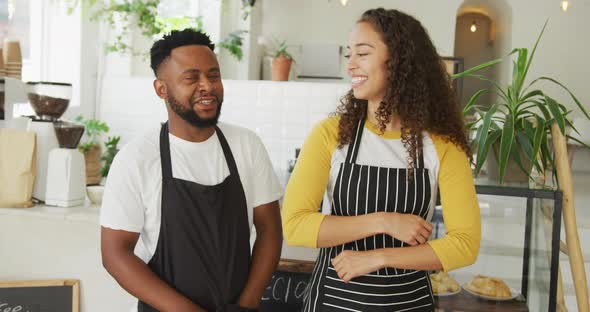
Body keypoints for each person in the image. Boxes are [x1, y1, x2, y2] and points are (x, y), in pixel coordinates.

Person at [282, 8, 481, 311]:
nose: (350, 65)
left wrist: (378, 257)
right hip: (336, 300)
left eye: (362, 53)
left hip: (408, 302)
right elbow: (295, 225)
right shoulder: (331, 134)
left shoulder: (441, 145)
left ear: (399, 62)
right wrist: (383, 222)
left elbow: (465, 244)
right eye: (349, 54)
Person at [100, 29, 283, 312]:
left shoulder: (246, 145)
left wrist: (247, 303)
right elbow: (115, 254)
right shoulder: (136, 159)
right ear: (161, 89)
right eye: (191, 78)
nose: (207, 86)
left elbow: (270, 229)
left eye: (213, 75)